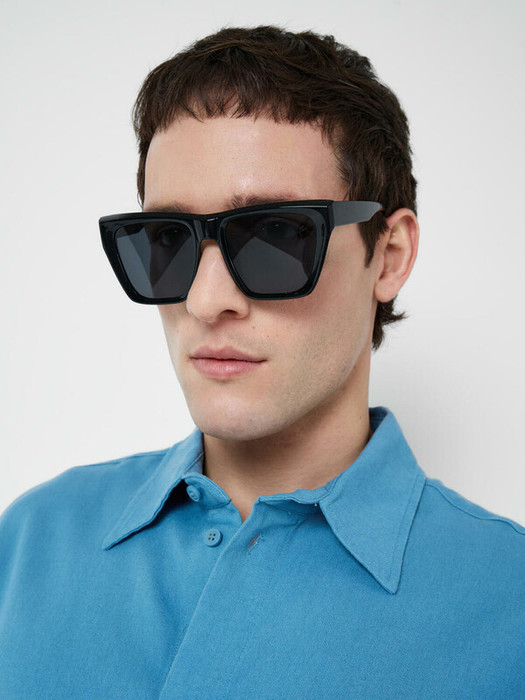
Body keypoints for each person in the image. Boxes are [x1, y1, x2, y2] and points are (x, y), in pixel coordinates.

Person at [1, 25, 524, 699]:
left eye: (275, 234)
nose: (204, 300)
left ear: (388, 256)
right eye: (166, 239)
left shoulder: (508, 605)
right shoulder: (31, 543)